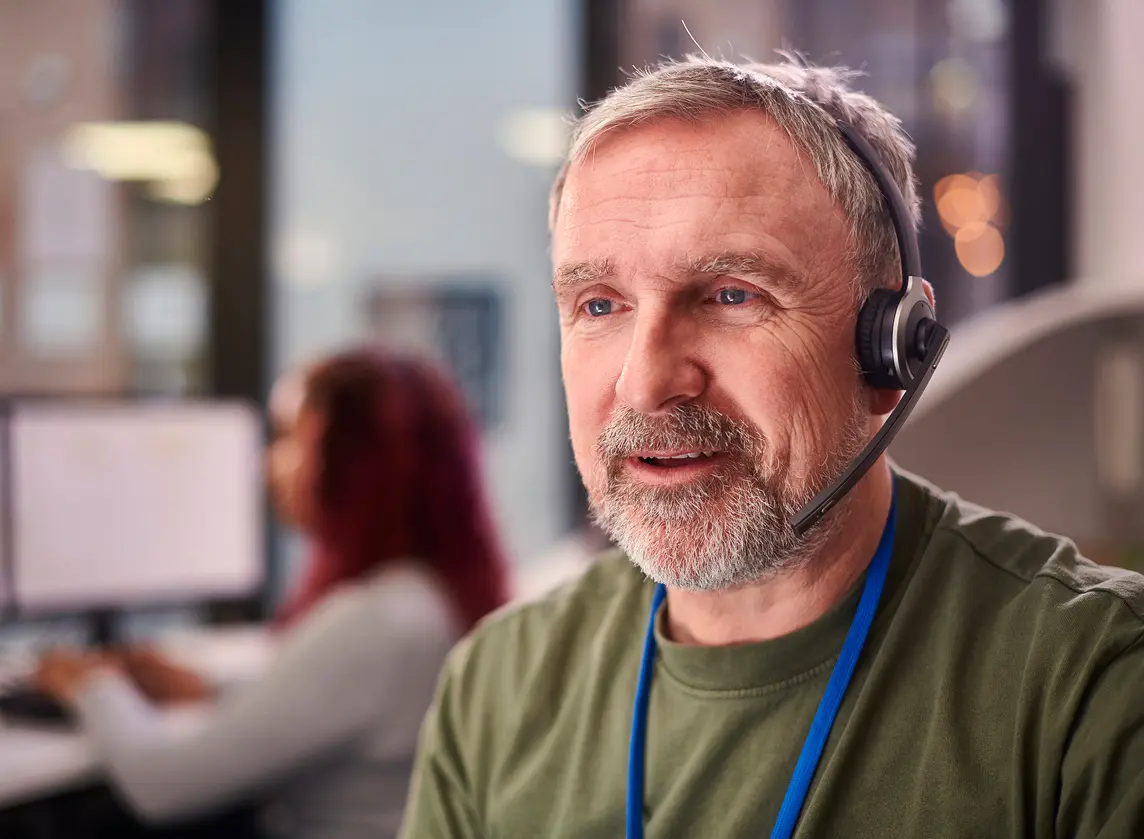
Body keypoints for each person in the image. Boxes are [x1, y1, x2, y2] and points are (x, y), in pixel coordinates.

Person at [398, 55, 1144, 839]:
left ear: (893, 348)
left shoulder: (1093, 683)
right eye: (599, 303)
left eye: (732, 294)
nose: (646, 383)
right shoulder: (499, 686)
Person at [35, 347, 512, 839]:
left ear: (354, 459)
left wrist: (88, 685)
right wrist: (213, 693)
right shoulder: (430, 597)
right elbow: (342, 714)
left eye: (288, 438)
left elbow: (161, 785)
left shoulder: (373, 622)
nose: (269, 465)